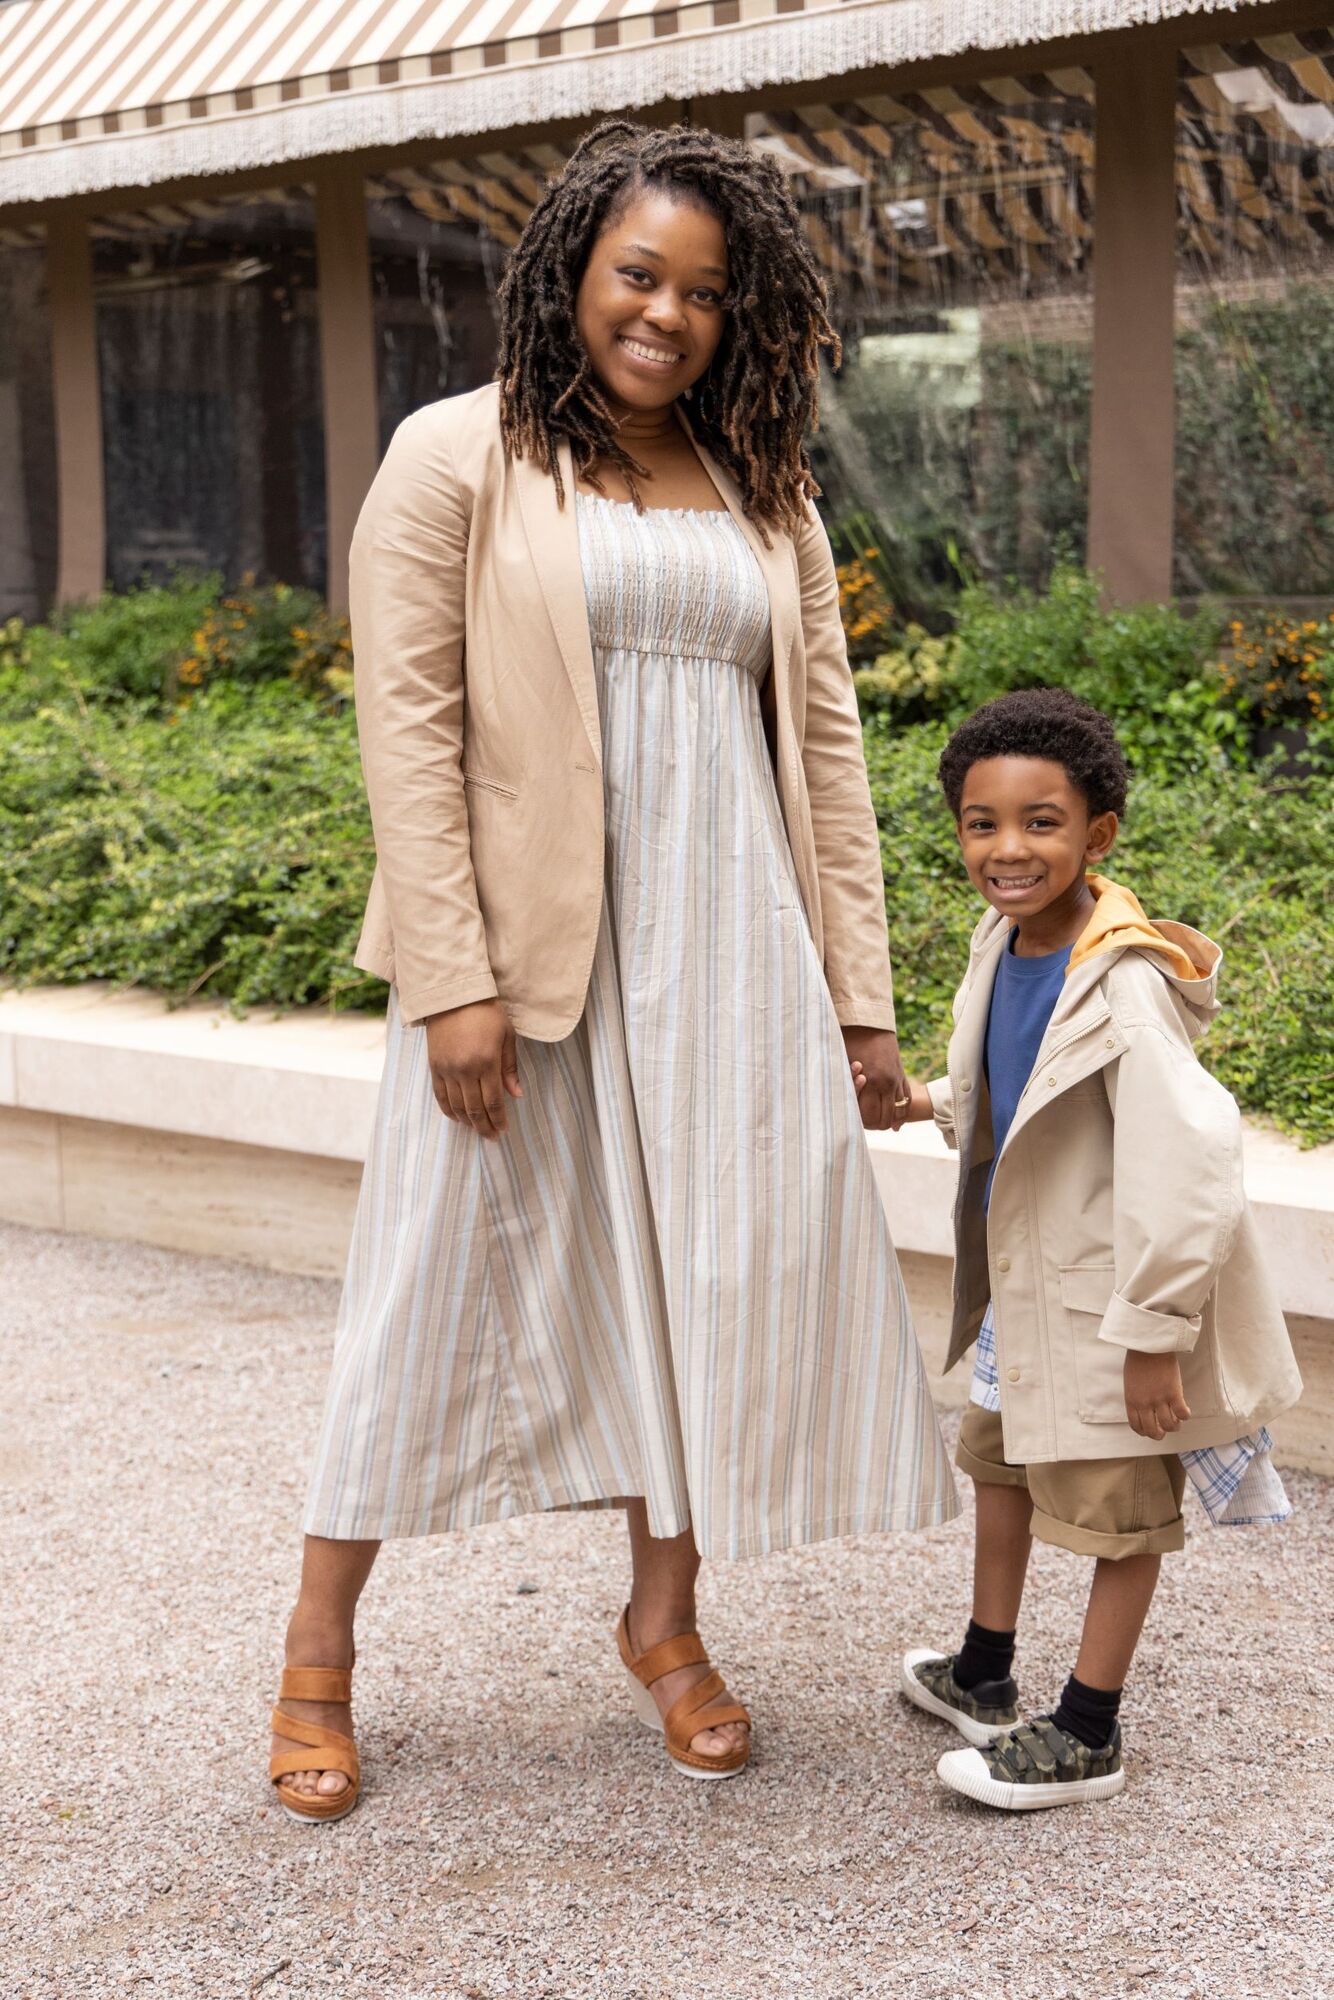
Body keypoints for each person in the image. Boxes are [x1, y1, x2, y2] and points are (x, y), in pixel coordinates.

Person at [267, 119, 958, 1823]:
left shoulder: (760, 490)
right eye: (637, 274)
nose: (665, 314)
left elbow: (827, 753)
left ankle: (663, 1623)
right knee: (428, 1287)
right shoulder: (454, 457)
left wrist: (857, 1004)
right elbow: (406, 736)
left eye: (704, 292)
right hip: (527, 965)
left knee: (695, 1294)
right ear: (570, 269)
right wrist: (450, 983)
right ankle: (314, 1653)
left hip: (727, 957)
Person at [896, 688, 1301, 1810]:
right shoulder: (1007, 937)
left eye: (1040, 821)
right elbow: (1022, 1097)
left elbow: (1190, 1165)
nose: (1006, 847)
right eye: (982, 822)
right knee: (1000, 1465)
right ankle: (982, 1668)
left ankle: (1087, 1728)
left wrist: (1152, 1334)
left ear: (1096, 834)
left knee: (1117, 1509)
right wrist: (922, 1099)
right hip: (1025, 1292)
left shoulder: (1122, 983)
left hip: (1103, 1308)